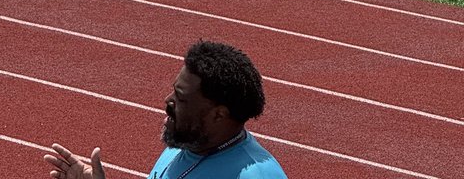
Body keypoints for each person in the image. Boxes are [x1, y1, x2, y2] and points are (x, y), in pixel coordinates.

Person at [43, 39, 287, 179]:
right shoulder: (184, 147)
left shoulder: (257, 176)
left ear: (218, 114)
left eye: (181, 98)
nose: (168, 101)